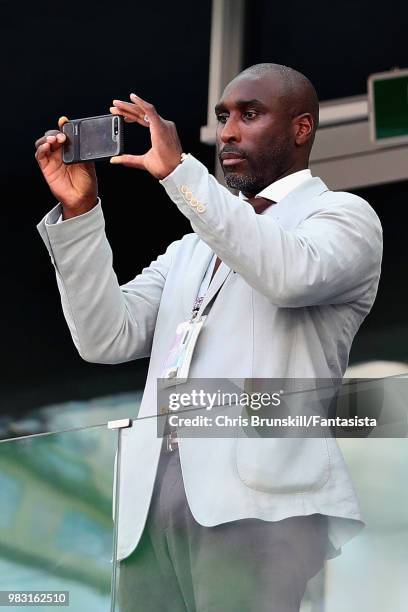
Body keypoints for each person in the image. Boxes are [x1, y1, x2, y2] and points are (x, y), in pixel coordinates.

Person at [35, 63, 383, 611]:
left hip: (258, 506)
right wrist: (81, 215)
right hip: (149, 512)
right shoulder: (194, 246)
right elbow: (106, 336)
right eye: (222, 117)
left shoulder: (342, 217)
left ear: (302, 128)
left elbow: (287, 276)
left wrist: (180, 173)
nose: (227, 132)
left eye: (249, 114)